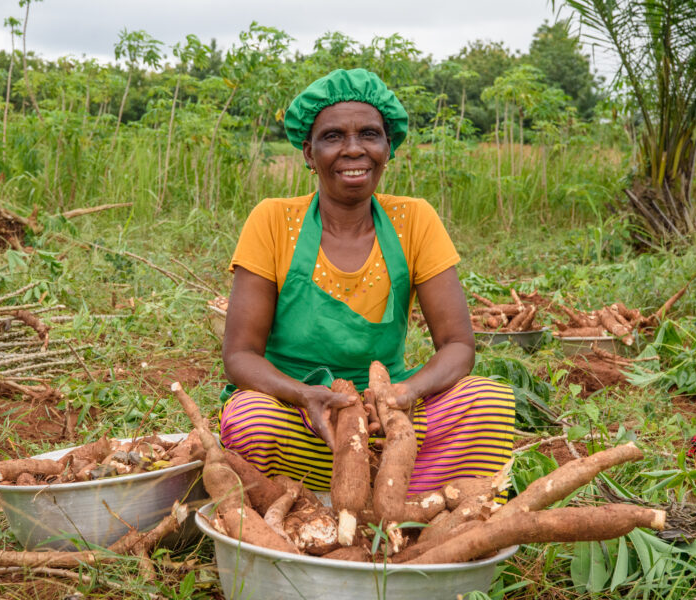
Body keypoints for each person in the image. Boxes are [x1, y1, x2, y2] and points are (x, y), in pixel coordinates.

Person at [219, 68, 515, 495]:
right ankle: (320, 495)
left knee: (489, 402)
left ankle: (400, 493)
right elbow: (240, 356)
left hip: (391, 417)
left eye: (369, 135)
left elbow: (458, 346)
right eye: (333, 136)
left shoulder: (414, 219)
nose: (353, 150)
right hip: (299, 414)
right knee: (249, 419)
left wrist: (403, 395)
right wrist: (306, 396)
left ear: (387, 147)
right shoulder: (273, 220)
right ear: (308, 152)